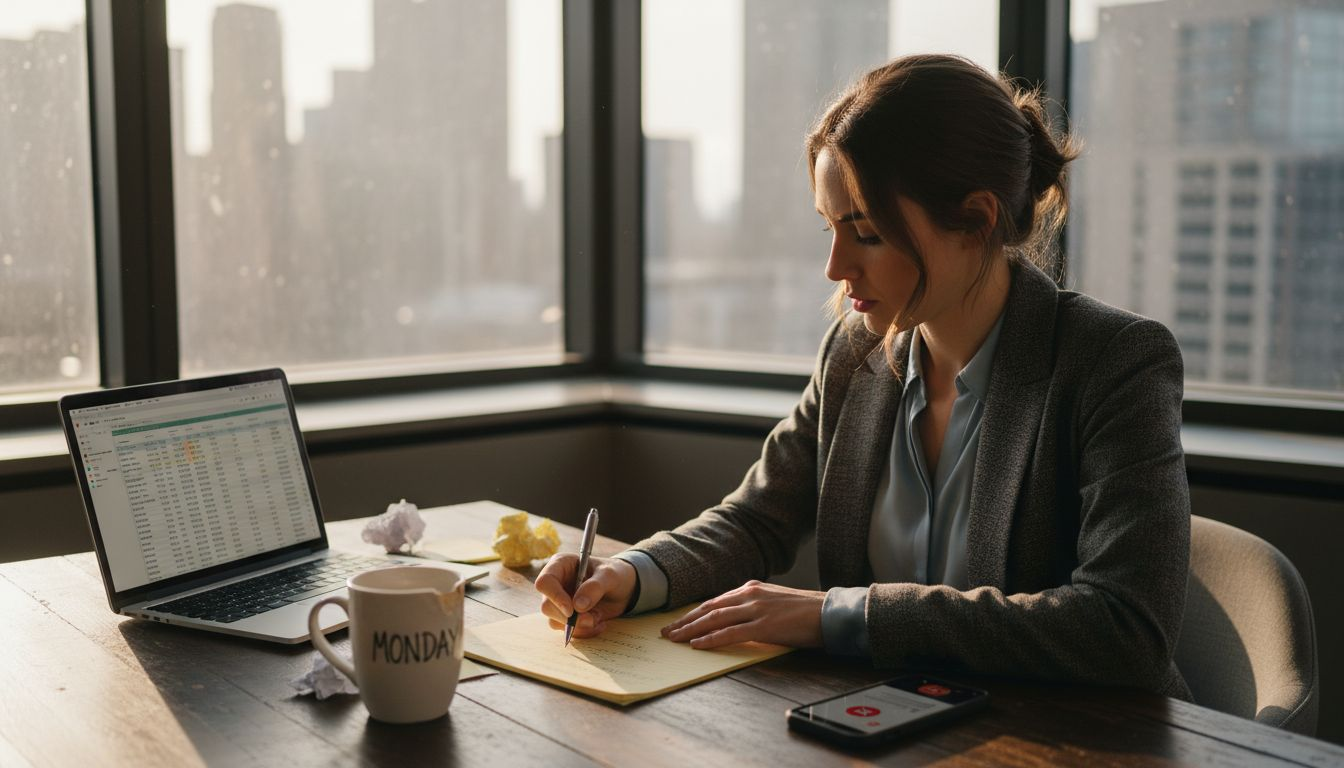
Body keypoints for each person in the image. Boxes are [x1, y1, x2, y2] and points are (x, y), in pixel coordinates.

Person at [535, 54, 1192, 698]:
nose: (835, 266)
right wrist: (632, 572)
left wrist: (842, 614)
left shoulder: (1114, 362)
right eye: (829, 228)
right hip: (893, 727)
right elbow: (760, 517)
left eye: (867, 233)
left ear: (977, 220)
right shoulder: (855, 354)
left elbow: (1124, 628)